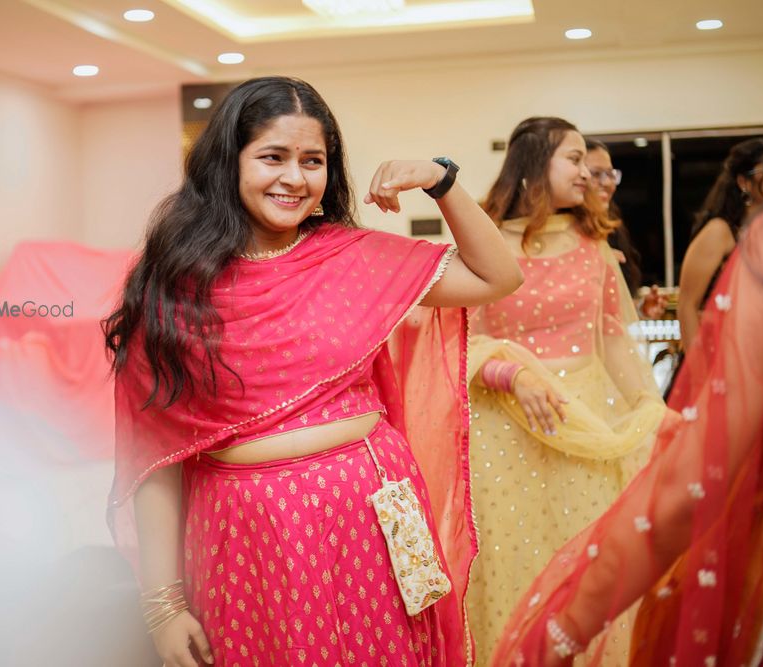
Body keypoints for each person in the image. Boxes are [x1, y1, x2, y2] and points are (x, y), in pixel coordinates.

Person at [492, 0, 763, 664]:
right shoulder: (491, 248)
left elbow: (625, 355)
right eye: (576, 159)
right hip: (510, 430)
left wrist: (563, 629)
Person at [103, 76, 524, 667]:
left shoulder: (350, 256)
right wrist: (164, 606)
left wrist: (442, 181)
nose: (295, 178)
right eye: (272, 157)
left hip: (372, 521)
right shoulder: (174, 285)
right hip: (247, 540)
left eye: (313, 160)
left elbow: (495, 278)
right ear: (229, 162)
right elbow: (157, 459)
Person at [465, 117, 667, 666]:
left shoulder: (592, 244)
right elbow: (461, 344)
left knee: (588, 568)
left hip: (585, 428)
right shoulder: (481, 239)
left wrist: (650, 409)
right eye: (574, 160)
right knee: (514, 565)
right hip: (504, 434)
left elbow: (613, 341)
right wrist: (511, 375)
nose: (589, 172)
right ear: (534, 163)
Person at [677, 137, 763, 349]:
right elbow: (687, 306)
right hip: (723, 355)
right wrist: (699, 374)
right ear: (744, 182)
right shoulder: (720, 232)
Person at [585, 139, 666, 319]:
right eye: (596, 174)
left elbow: (609, 313)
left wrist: (639, 309)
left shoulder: (612, 229)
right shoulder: (563, 232)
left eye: (611, 174)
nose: (607, 183)